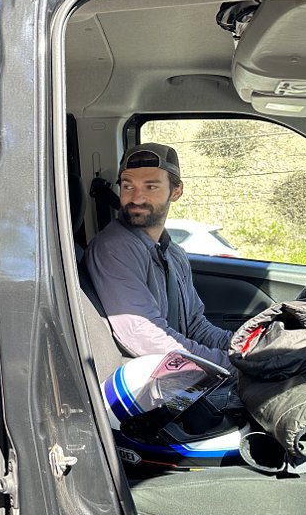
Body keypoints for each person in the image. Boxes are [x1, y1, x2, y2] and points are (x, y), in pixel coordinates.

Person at [85, 142, 233, 370]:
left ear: (176, 191)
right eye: (127, 186)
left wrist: (240, 349)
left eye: (151, 186)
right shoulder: (113, 247)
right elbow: (143, 336)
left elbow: (195, 325)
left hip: (179, 369)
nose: (136, 198)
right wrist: (228, 368)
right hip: (149, 378)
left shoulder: (174, 254)